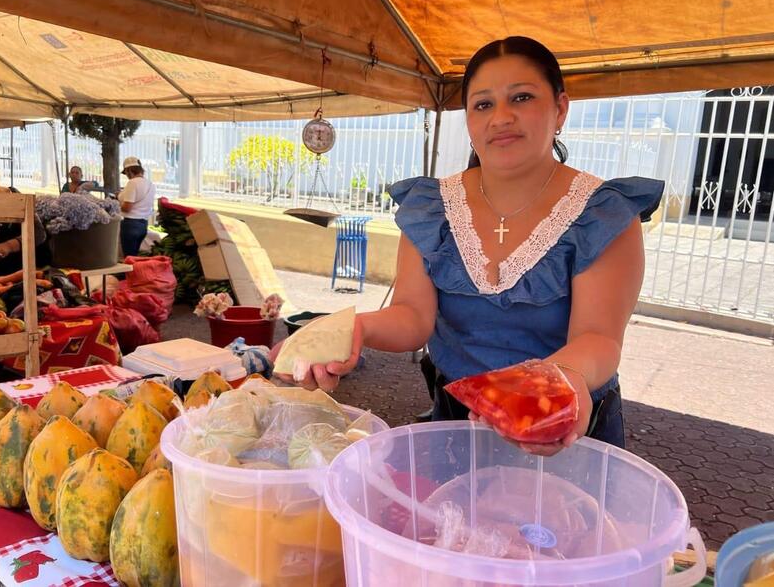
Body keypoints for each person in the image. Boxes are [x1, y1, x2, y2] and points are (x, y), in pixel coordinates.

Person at [272, 36, 664, 455]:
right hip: (457, 420)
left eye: (522, 97)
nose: (501, 117)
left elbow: (599, 337)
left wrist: (553, 386)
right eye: (483, 104)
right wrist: (353, 328)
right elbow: (412, 315)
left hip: (563, 418)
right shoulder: (432, 206)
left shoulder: (602, 212)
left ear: (560, 109)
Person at [118, 156, 155, 257]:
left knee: (129, 258)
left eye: (126, 173)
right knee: (134, 257)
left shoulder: (132, 183)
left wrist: (115, 203)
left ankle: (129, 273)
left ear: (129, 170)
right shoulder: (150, 184)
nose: (127, 175)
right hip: (143, 225)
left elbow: (127, 207)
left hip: (130, 224)